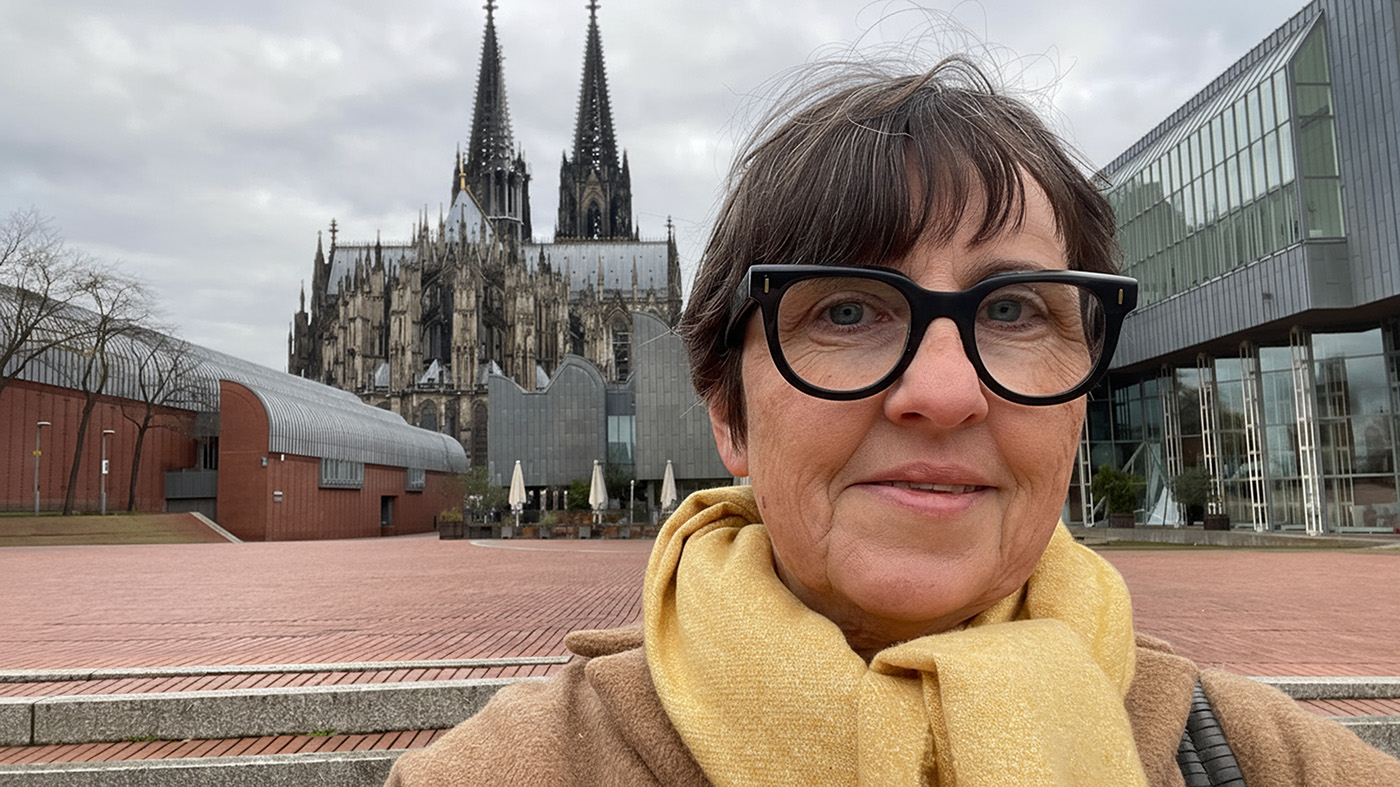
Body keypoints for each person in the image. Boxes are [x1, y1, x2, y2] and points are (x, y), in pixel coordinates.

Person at [386, 56, 1400, 786]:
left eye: (1013, 310)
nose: (943, 390)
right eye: (844, 310)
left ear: (1084, 388)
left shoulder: (1258, 761)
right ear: (722, 408)